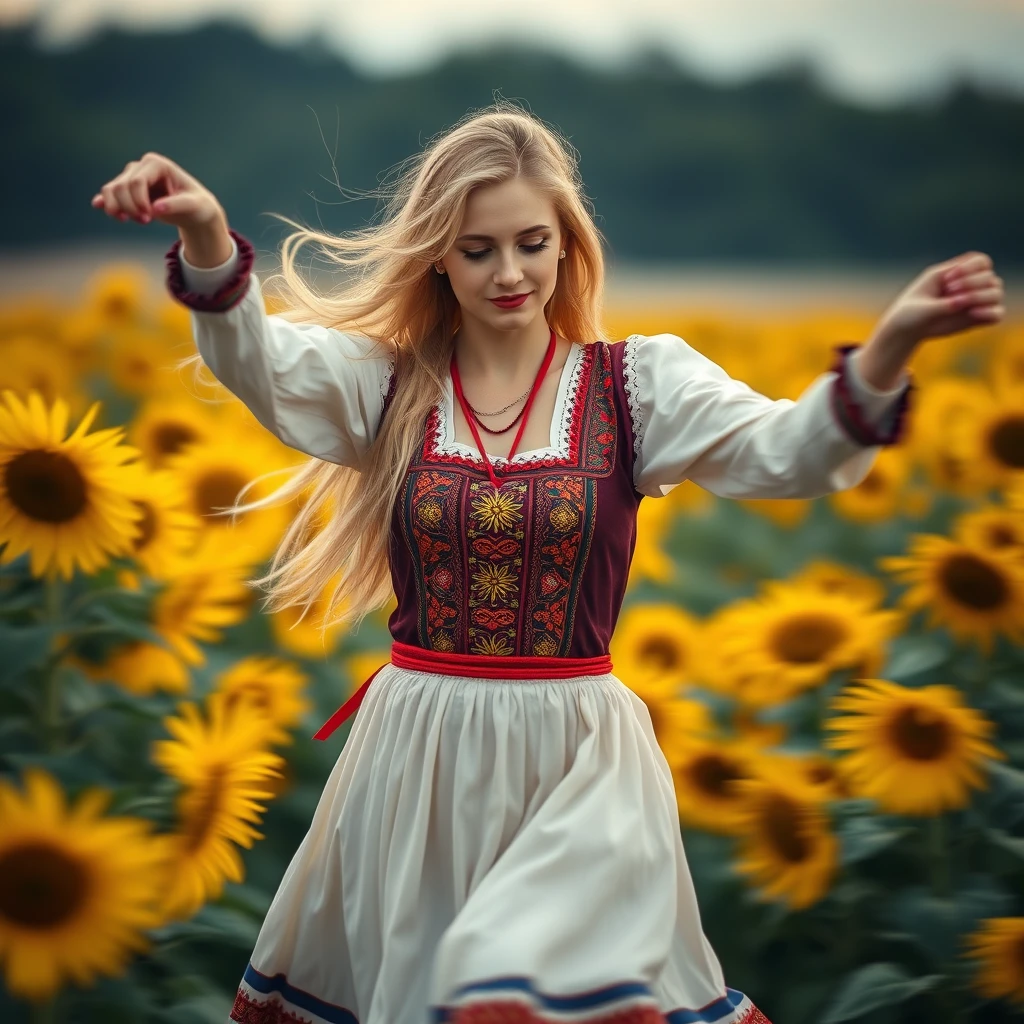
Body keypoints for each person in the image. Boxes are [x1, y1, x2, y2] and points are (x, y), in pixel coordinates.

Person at [92, 103, 1004, 1024]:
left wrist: (889, 346)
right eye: (478, 248)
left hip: (578, 756)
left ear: (568, 244)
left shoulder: (639, 384)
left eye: (532, 242)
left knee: (505, 983)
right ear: (438, 256)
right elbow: (260, 360)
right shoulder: (389, 387)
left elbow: (787, 452)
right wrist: (206, 231)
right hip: (418, 758)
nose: (509, 272)